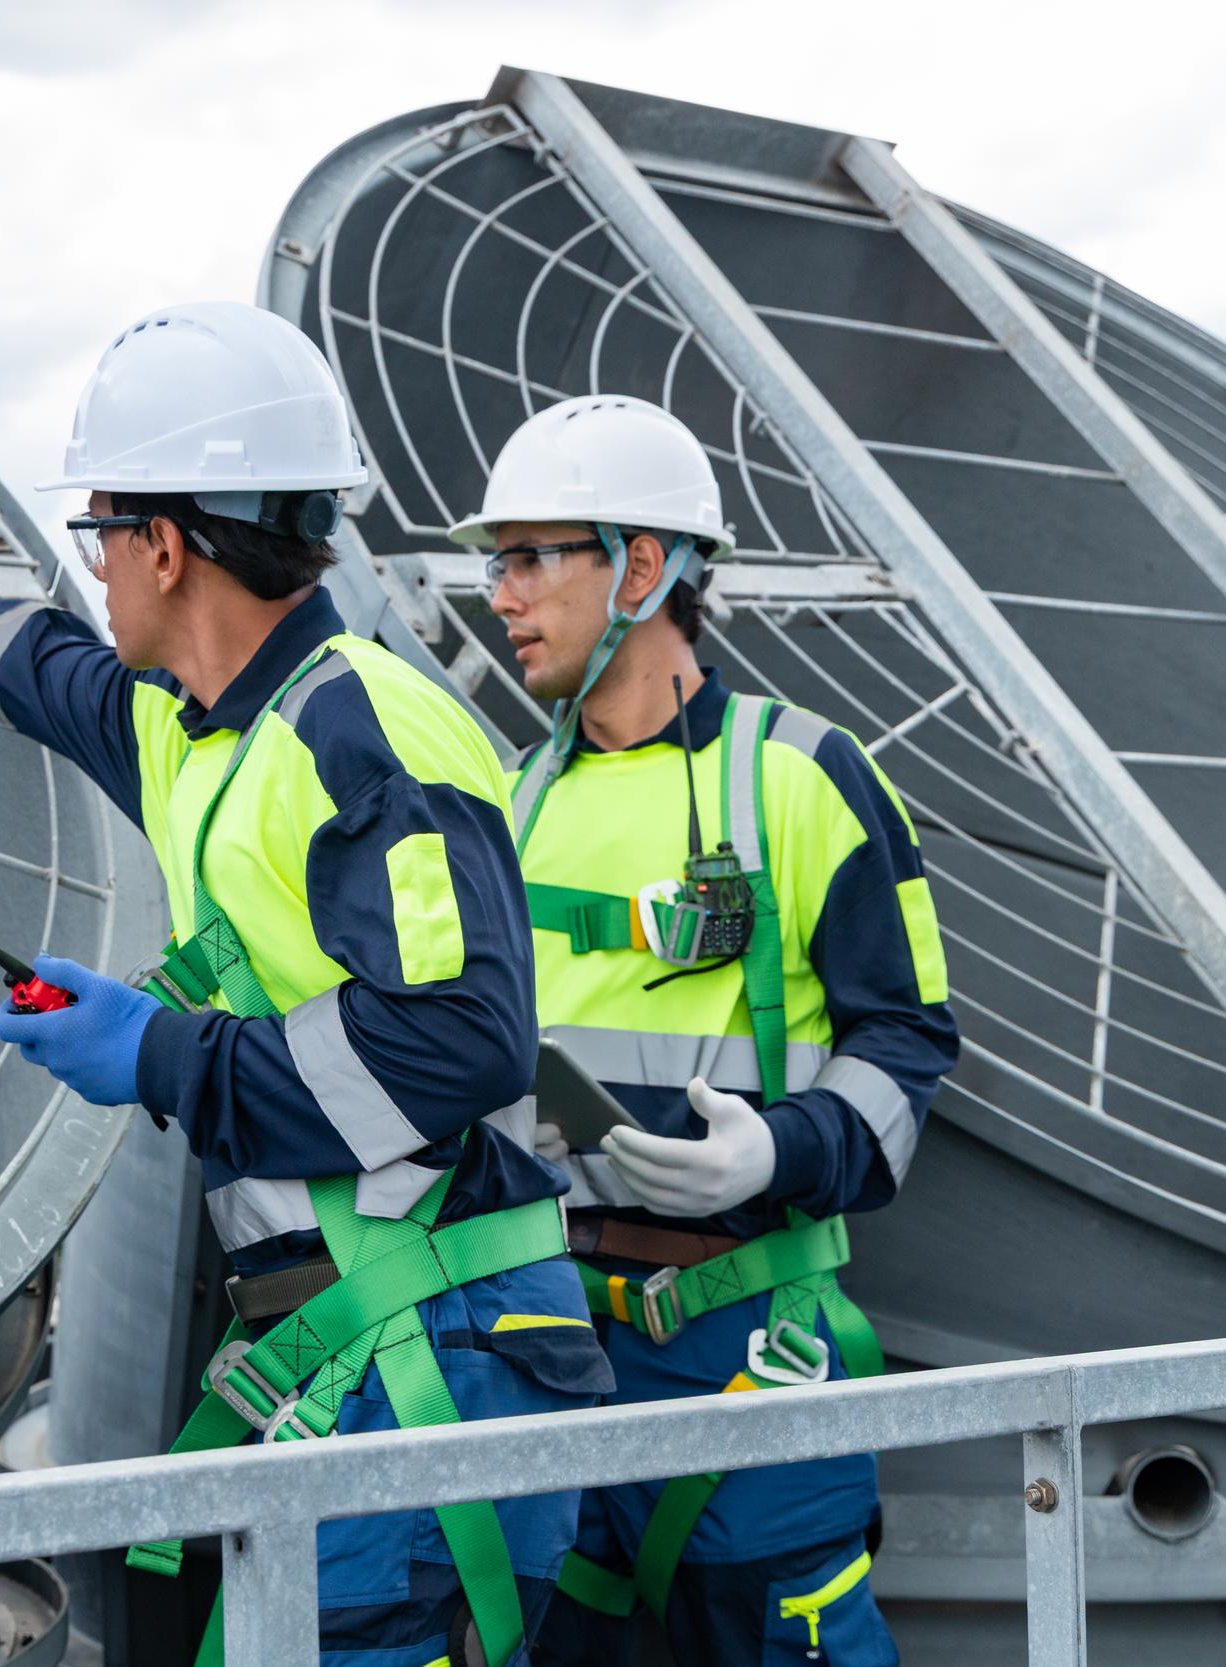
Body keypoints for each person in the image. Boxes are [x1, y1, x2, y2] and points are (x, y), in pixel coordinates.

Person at [0, 302, 611, 1666]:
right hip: (359, 1344)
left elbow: (467, 1041)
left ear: (168, 545)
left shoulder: (362, 729)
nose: (97, 570)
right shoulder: (189, 726)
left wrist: (163, 1055)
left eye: (101, 534)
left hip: (439, 1353)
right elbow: (23, 662)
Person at [454, 396, 958, 1667]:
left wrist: (778, 1153)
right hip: (546, 1349)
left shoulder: (799, 775)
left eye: (530, 557)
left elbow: (907, 1036)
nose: (499, 594)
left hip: (747, 1353)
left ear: (639, 565)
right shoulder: (506, 804)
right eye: (494, 558)